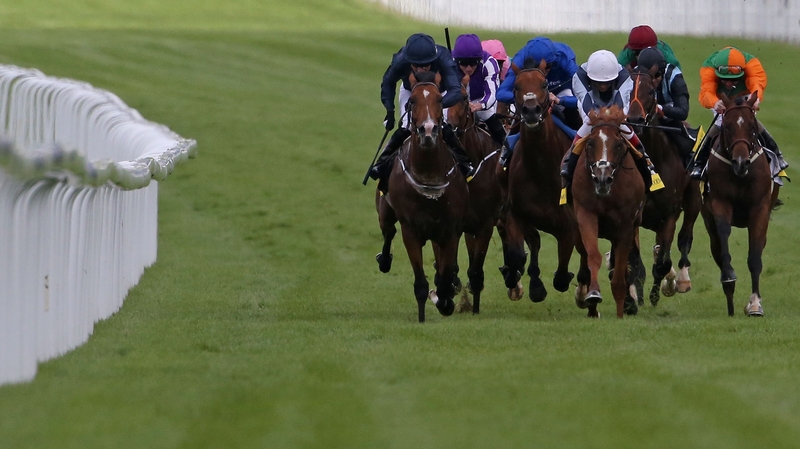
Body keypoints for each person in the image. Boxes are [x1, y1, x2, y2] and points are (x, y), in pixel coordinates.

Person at [369, 33, 474, 190]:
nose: (420, 70)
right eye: (416, 66)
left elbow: (455, 90)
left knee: (443, 125)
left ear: (433, 59)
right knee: (405, 125)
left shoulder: (444, 57)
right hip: (411, 91)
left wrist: (434, 105)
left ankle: (465, 164)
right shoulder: (401, 59)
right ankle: (382, 164)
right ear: (409, 60)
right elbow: (388, 83)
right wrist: (389, 111)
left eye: (425, 66)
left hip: (439, 93)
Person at [560, 49, 658, 191]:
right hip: (590, 106)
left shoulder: (624, 77)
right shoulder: (579, 77)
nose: (603, 86)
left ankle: (646, 162)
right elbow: (587, 103)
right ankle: (569, 162)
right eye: (598, 82)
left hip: (615, 105)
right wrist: (598, 118)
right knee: (588, 125)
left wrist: (610, 118)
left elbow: (619, 105)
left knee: (623, 127)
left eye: (607, 82)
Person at [689, 46, 789, 179]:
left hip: (744, 95)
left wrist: (756, 98)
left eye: (734, 80)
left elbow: (757, 83)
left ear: (742, 70)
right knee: (721, 123)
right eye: (724, 79)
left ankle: (777, 154)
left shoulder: (751, 64)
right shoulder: (709, 68)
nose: (729, 84)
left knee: (749, 121)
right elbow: (706, 91)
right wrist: (714, 102)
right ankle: (699, 164)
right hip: (720, 98)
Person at [496, 36, 581, 167]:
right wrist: (526, 97)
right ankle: (506, 152)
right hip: (531, 95)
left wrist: (561, 100)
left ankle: (580, 142)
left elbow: (584, 97)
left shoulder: (564, 57)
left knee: (574, 112)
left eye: (548, 67)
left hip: (562, 91)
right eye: (537, 68)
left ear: (554, 61)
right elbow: (501, 93)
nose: (544, 71)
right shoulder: (519, 61)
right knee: (524, 112)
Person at [634, 46, 695, 161]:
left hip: (669, 119)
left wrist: (663, 110)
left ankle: (691, 163)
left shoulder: (674, 76)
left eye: (657, 76)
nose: (653, 81)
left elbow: (683, 111)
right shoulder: (636, 76)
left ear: (662, 71)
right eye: (649, 77)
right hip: (643, 120)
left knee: (685, 145)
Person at [450, 33, 506, 147]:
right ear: (456, 60)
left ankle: (506, 153)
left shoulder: (490, 63)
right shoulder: (448, 63)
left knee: (490, 118)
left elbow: (492, 93)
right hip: (455, 101)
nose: (469, 68)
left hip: (480, 101)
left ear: (479, 59)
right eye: (464, 64)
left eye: (473, 63)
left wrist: (480, 105)